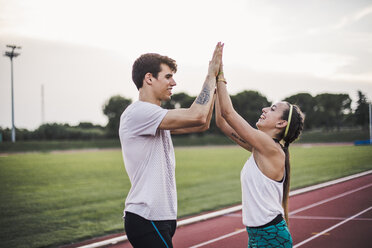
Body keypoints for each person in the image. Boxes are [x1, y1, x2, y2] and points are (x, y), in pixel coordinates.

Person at [119, 42, 223, 248]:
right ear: (149, 78)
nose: (173, 82)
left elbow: (202, 122)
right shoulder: (138, 113)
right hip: (146, 216)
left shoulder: (155, 118)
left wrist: (217, 82)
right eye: (168, 76)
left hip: (161, 217)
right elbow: (197, 114)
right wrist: (210, 76)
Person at [215, 46, 304, 248]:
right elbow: (222, 122)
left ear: (281, 124)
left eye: (272, 109)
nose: (264, 109)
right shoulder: (260, 148)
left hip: (270, 236)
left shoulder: (270, 147)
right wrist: (214, 85)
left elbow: (229, 114)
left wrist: (220, 76)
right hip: (259, 235)